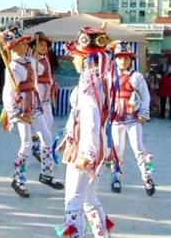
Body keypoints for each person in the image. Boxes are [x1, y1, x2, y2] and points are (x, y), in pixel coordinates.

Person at [58, 26, 115, 238]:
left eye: (76, 55)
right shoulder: (101, 78)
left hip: (85, 144)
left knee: (73, 201)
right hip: (96, 142)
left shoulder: (88, 81)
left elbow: (91, 116)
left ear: (86, 57)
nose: (73, 60)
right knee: (89, 198)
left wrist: (86, 153)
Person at [0, 26, 63, 198]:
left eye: (25, 42)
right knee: (26, 143)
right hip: (22, 109)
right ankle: (18, 180)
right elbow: (8, 92)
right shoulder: (13, 67)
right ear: (13, 47)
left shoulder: (28, 61)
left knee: (47, 138)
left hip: (34, 106)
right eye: (21, 43)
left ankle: (47, 174)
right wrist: (15, 112)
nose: (26, 45)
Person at [108, 40, 155, 196]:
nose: (123, 61)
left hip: (133, 119)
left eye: (127, 58)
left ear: (131, 60)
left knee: (139, 149)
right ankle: (116, 176)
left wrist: (143, 113)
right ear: (115, 59)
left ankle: (147, 177)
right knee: (117, 149)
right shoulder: (110, 76)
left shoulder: (137, 77)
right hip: (116, 119)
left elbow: (145, 97)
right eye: (120, 57)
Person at [29, 32, 58, 162]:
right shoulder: (31, 60)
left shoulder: (45, 58)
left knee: (49, 124)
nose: (44, 47)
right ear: (34, 46)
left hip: (46, 97)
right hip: (38, 96)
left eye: (45, 45)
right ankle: (38, 148)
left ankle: (41, 148)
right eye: (41, 45)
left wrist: (52, 83)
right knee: (41, 125)